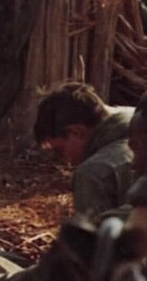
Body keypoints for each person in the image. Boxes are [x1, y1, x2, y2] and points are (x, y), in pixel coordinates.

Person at [33, 82, 134, 218]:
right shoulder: (138, 118)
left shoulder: (93, 173)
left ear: (76, 132)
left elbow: (91, 236)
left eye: (59, 150)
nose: (64, 160)